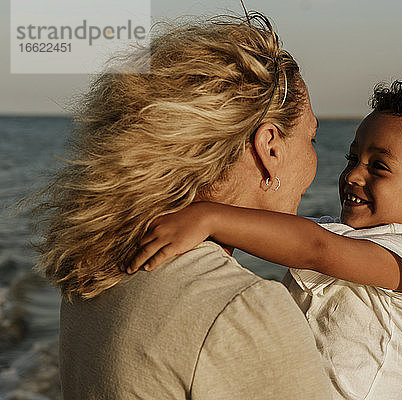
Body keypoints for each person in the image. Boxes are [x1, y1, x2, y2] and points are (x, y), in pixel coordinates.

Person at [33, 12, 334, 399]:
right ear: (270, 146)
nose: (315, 160)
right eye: (311, 138)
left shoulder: (96, 265)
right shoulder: (241, 310)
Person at [129, 81, 402, 399]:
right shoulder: (337, 233)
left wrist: (208, 217)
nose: (353, 175)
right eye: (352, 158)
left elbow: (316, 249)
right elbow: (281, 231)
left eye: (378, 166)